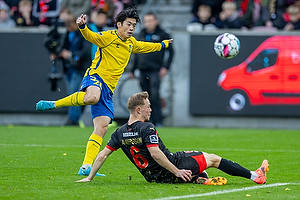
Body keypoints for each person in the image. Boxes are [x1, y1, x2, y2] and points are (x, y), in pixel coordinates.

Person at [36, 7, 173, 176]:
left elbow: (146, 46)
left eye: (134, 26)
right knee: (92, 97)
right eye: (129, 24)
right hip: (95, 77)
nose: (131, 28)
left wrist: (163, 44)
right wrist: (83, 27)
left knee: (102, 128)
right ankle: (54, 103)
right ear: (118, 24)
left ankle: (85, 166)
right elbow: (91, 37)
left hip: (108, 89)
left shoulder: (131, 44)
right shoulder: (108, 36)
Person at [77, 91, 269, 185]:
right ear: (138, 110)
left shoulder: (119, 133)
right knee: (213, 159)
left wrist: (90, 178)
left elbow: (101, 156)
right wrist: (177, 171)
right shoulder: (146, 128)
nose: (151, 109)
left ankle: (197, 177)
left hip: (153, 178)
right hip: (172, 167)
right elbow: (155, 153)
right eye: (148, 106)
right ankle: (256, 176)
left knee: (194, 156)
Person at [130, 12, 174, 127]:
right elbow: (135, 53)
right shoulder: (141, 34)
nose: (148, 24)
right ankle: (146, 121)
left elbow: (171, 52)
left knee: (154, 95)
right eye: (146, 21)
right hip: (142, 69)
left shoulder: (163, 34)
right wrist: (133, 69)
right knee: (144, 98)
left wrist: (166, 67)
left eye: (150, 21)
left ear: (156, 21)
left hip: (155, 70)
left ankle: (158, 120)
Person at [55, 14, 91, 125]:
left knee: (74, 93)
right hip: (68, 68)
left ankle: (73, 118)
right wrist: (59, 53)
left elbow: (86, 51)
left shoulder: (83, 34)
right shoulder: (68, 34)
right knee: (72, 93)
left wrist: (70, 54)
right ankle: (74, 117)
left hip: (78, 68)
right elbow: (61, 47)